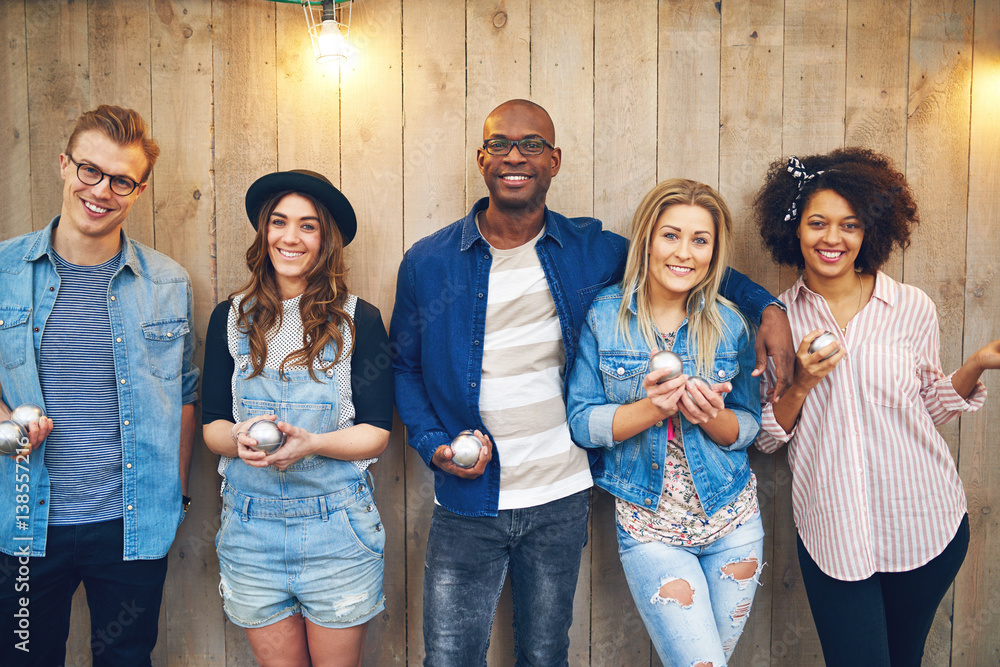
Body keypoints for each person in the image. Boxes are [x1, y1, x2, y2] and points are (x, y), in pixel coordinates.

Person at [389, 99, 792, 666]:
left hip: (561, 494)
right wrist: (434, 446)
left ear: (554, 161)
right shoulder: (429, 262)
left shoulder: (590, 250)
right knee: (450, 657)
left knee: (545, 654)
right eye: (500, 143)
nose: (515, 156)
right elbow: (403, 369)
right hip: (467, 496)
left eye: (532, 145)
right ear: (481, 158)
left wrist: (768, 306)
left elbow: (686, 261)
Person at [753, 147, 1000, 666]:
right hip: (833, 532)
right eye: (817, 223)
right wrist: (799, 384)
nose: (833, 239)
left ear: (870, 231)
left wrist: (976, 363)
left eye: (850, 225)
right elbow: (768, 437)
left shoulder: (911, 306)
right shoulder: (778, 321)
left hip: (925, 523)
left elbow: (928, 407)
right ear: (794, 228)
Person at [0, 105, 198, 665]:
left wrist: (175, 493)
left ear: (137, 191)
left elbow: (183, 395)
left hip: (131, 525)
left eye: (121, 180)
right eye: (90, 170)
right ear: (65, 166)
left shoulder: (167, 282)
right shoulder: (3, 270)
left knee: (126, 659)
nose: (101, 190)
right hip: (22, 525)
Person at [567, 179, 763, 665]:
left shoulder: (730, 323)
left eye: (700, 240)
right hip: (650, 526)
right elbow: (581, 421)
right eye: (670, 235)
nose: (685, 253)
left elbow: (748, 426)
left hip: (733, 520)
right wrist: (653, 408)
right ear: (647, 239)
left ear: (714, 252)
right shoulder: (604, 317)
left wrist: (713, 418)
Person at [201, 169, 392, 666]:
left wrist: (313, 444)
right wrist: (238, 437)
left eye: (308, 226)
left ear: (325, 239)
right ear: (264, 232)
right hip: (251, 531)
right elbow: (213, 425)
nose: (290, 237)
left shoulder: (359, 320)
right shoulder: (230, 317)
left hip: (336, 530)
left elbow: (376, 433)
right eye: (279, 222)